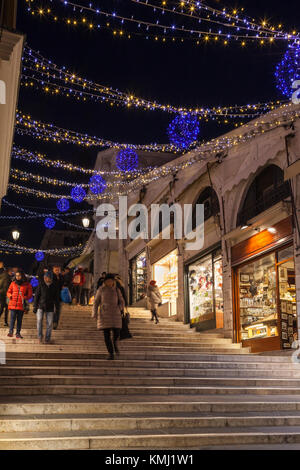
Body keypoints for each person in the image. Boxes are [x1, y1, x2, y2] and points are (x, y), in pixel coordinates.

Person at [93, 273, 125, 360]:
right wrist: (94, 313)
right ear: (105, 281)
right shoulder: (101, 289)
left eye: (111, 281)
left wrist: (120, 308)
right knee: (106, 335)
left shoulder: (116, 290)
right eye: (108, 281)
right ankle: (110, 353)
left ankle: (115, 344)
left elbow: (122, 300)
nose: (109, 282)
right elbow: (96, 302)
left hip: (116, 313)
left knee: (116, 333)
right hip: (104, 313)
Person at [33, 271, 60, 344]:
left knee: (50, 323)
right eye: (44, 277)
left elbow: (57, 298)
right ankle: (40, 337)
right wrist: (35, 306)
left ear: (50, 278)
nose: (45, 278)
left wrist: (57, 308)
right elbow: (36, 296)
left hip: (50, 307)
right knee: (39, 320)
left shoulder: (54, 286)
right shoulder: (41, 285)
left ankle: (47, 339)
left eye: (46, 277)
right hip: (40, 306)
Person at [7, 270, 33, 339]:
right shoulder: (13, 283)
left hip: (21, 305)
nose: (17, 277)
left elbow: (30, 294)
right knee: (12, 319)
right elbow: (8, 291)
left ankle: (18, 333)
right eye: (16, 275)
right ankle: (10, 331)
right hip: (13, 304)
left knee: (19, 320)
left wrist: (25, 297)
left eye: (19, 275)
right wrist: (10, 296)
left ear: (22, 276)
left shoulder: (27, 284)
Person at [52, 266, 64, 330]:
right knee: (53, 310)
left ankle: (56, 322)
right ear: (53, 270)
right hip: (52, 297)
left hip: (59, 297)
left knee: (58, 311)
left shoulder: (61, 277)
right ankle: (53, 321)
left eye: (58, 270)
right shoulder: (51, 277)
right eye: (56, 270)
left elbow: (63, 284)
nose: (57, 271)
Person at [0, 262, 11, 327]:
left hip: (3, 293)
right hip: (5, 294)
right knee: (4, 308)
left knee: (4, 308)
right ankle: (5, 322)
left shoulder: (4, 275)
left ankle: (6, 322)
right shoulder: (6, 276)